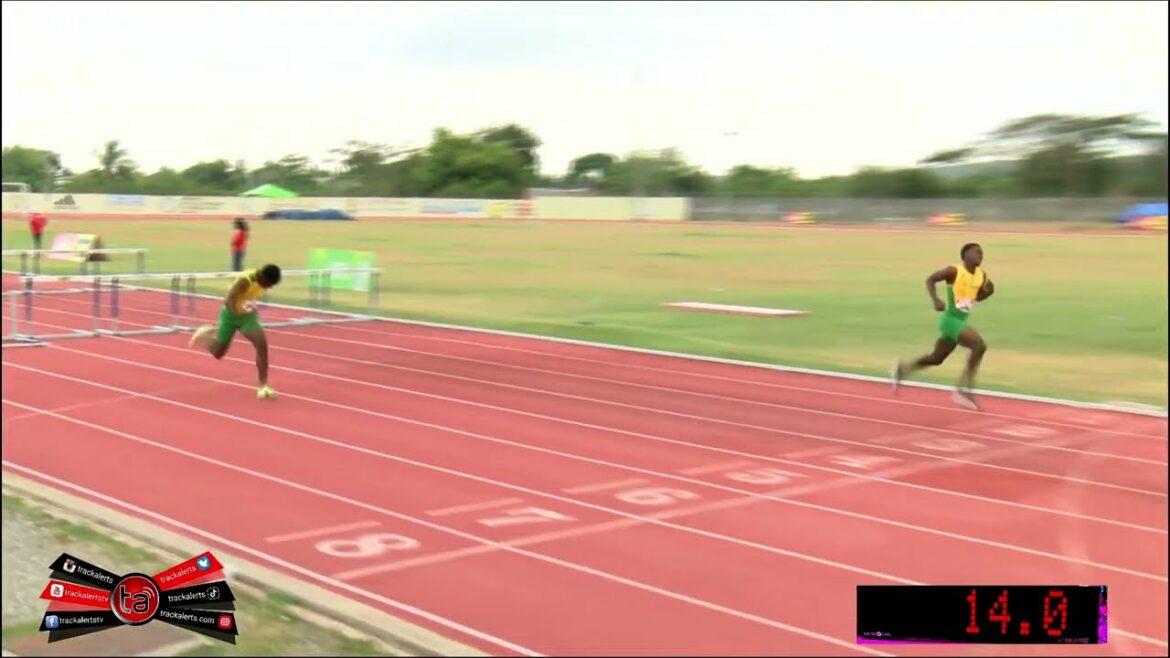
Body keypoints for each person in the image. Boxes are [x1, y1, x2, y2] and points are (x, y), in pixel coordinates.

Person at [891, 243, 994, 410]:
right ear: (965, 256)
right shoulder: (954, 271)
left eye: (982, 253)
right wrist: (936, 300)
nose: (980, 255)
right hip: (951, 320)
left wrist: (986, 293)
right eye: (976, 253)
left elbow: (980, 294)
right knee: (979, 345)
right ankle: (963, 390)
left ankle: (903, 369)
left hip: (961, 320)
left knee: (936, 358)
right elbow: (930, 279)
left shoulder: (981, 275)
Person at [189, 264, 283, 399]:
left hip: (247, 317)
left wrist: (248, 309)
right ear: (264, 277)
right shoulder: (245, 280)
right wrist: (240, 312)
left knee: (261, 344)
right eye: (269, 284)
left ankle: (263, 386)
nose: (269, 287)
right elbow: (228, 301)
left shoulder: (261, 281)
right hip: (230, 315)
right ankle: (202, 337)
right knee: (218, 352)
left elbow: (249, 298)